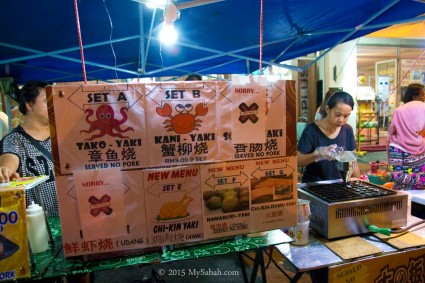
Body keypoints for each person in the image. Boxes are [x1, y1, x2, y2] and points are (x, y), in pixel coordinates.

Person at [0, 81, 58, 216]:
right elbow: (9, 159)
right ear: (29, 105)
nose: (53, 104)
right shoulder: (15, 139)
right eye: (46, 100)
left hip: (70, 218)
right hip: (39, 224)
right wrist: (5, 170)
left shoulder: (62, 135)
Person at [298, 91, 360, 183]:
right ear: (327, 109)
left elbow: (352, 160)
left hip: (339, 183)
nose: (341, 120)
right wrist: (317, 155)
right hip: (315, 184)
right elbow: (297, 161)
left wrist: (359, 180)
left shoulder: (347, 130)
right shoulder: (311, 131)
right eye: (337, 115)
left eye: (346, 116)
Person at [388, 83, 425, 190]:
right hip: (406, 197)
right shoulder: (396, 145)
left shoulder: (422, 141)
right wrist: (422, 179)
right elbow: (396, 175)